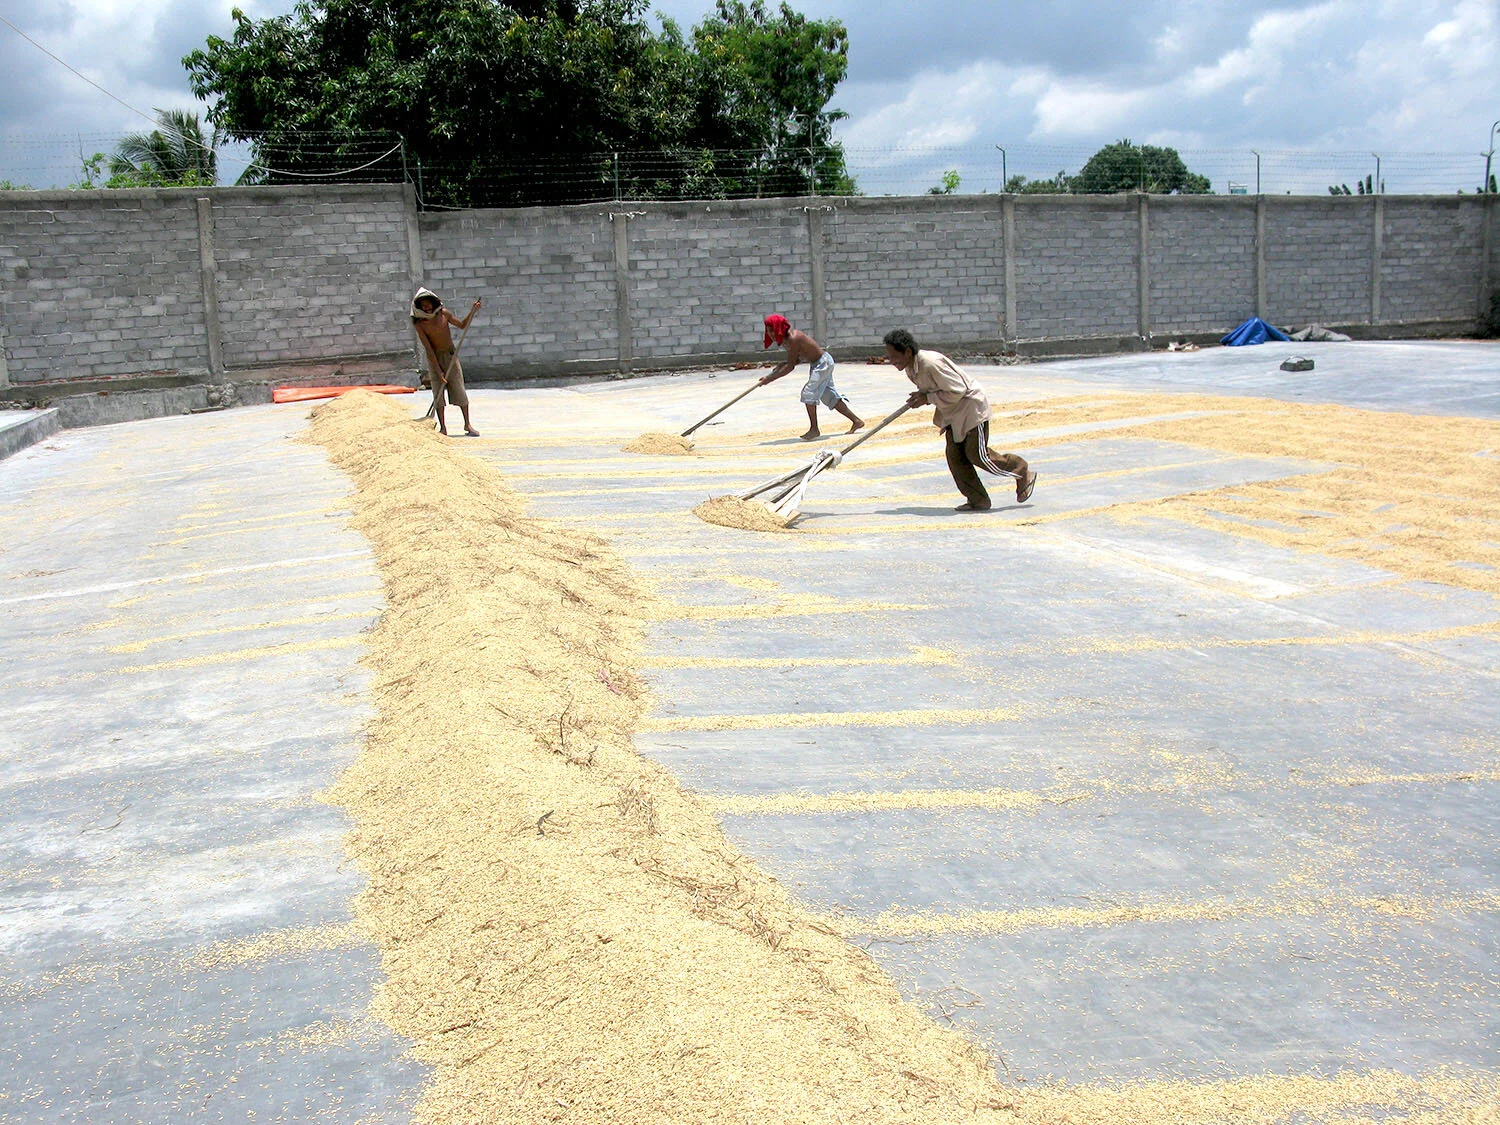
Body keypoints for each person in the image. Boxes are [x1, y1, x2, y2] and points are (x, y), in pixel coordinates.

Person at [882, 328, 1037, 510]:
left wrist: (928, 398)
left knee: (978, 455)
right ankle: (978, 500)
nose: (891, 361)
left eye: (894, 356)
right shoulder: (910, 368)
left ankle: (1022, 471)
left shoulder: (931, 363)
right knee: (955, 457)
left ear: (907, 352)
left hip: (970, 409)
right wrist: (921, 396)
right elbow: (934, 388)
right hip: (952, 413)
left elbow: (958, 390)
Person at [758, 314, 863, 441]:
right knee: (828, 396)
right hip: (817, 364)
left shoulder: (793, 338)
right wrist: (776, 370)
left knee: (808, 393)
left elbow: (791, 366)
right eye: (768, 331)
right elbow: (794, 360)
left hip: (823, 363)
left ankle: (814, 429)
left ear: (779, 327)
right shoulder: (786, 340)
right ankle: (856, 421)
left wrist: (770, 379)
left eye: (772, 330)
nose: (771, 334)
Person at [410, 287, 481, 437]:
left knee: (459, 389)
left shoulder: (444, 314)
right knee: (438, 393)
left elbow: (462, 325)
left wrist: (472, 311)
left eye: (428, 304)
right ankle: (443, 428)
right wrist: (438, 371)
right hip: (434, 359)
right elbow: (429, 350)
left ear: (433, 303)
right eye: (423, 306)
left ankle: (467, 424)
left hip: (450, 356)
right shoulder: (420, 324)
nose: (426, 308)